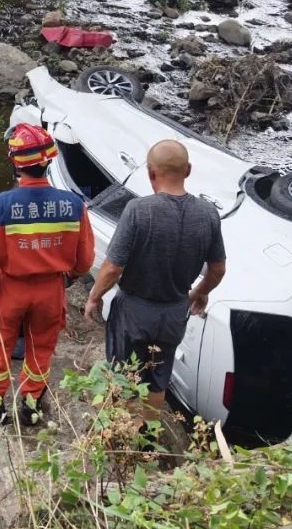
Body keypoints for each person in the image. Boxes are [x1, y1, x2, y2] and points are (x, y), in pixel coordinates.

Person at [84, 139, 227, 424]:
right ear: (188, 170)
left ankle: (118, 432)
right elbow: (218, 269)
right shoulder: (208, 214)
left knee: (122, 373)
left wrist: (94, 296)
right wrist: (199, 292)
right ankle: (148, 435)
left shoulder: (139, 210)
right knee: (158, 378)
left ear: (151, 173)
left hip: (134, 311)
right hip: (175, 311)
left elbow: (113, 268)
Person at [0, 124, 95, 426]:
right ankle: (31, 405)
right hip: (51, 290)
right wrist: (67, 278)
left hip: (10, 289)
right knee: (41, 348)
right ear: (49, 161)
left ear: (15, 162)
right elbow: (85, 260)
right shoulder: (73, 205)